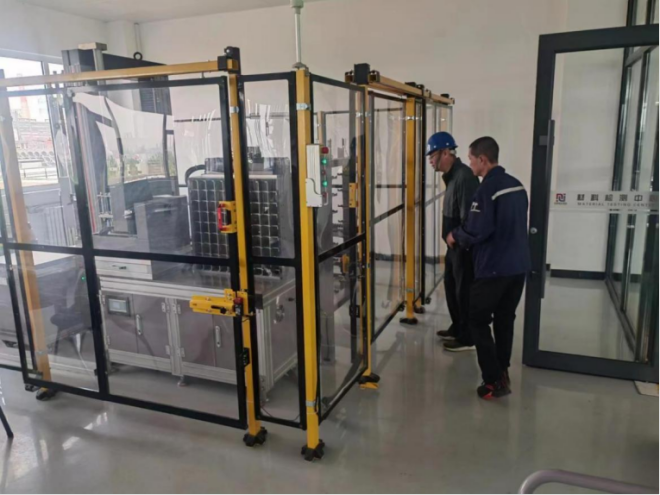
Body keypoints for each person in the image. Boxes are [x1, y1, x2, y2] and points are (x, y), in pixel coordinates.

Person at [447, 137, 531, 400]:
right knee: (505, 318)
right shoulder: (517, 186)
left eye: (471, 159)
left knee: (477, 320)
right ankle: (502, 370)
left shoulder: (486, 190)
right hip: (518, 266)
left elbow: (477, 229)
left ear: (482, 160)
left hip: (494, 268)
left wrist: (455, 235)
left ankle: (493, 380)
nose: (470, 164)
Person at [427, 132, 480, 352]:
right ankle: (458, 327)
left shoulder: (464, 177)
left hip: (462, 246)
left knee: (463, 290)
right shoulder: (452, 177)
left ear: (446, 153)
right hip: (453, 246)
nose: (430, 160)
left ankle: (468, 337)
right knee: (451, 287)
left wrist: (456, 236)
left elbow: (471, 217)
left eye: (432, 155)